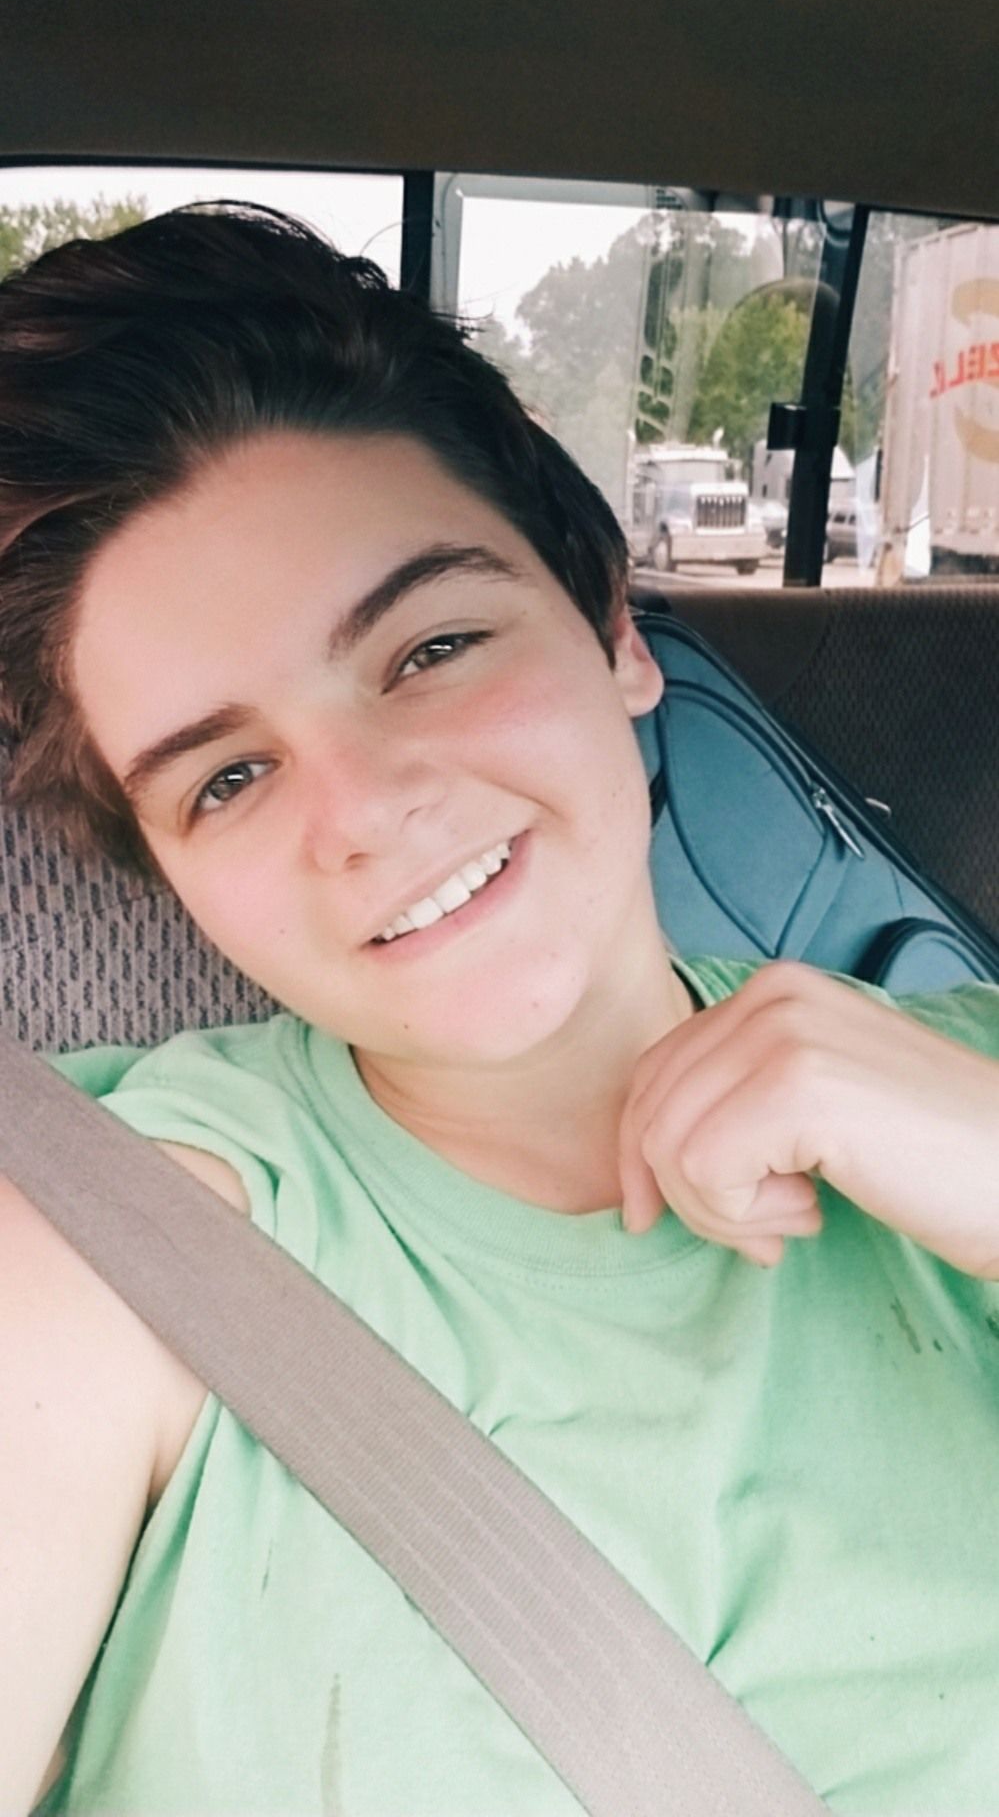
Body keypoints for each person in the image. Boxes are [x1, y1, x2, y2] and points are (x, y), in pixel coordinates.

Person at [1, 203, 999, 1817]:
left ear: (613, 629)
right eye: (229, 777)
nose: (368, 811)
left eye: (433, 648)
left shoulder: (971, 1093)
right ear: (168, 870)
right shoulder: (108, 1252)